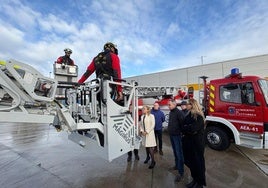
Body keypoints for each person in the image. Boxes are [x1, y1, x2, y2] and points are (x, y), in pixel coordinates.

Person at [182, 99, 206, 188]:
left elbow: (193, 129)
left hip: (197, 144)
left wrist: (186, 128)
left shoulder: (198, 116)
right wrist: (187, 128)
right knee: (191, 163)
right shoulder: (188, 115)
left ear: (192, 105)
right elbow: (183, 127)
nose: (186, 105)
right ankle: (194, 180)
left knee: (198, 163)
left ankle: (200, 183)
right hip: (189, 142)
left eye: (187, 104)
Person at [168, 99, 185, 182]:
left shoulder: (179, 113)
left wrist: (181, 133)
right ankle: (177, 165)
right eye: (168, 105)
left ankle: (181, 173)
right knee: (175, 152)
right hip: (172, 135)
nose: (168, 106)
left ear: (174, 105)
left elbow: (183, 124)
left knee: (179, 154)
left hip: (177, 136)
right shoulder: (171, 112)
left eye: (170, 105)